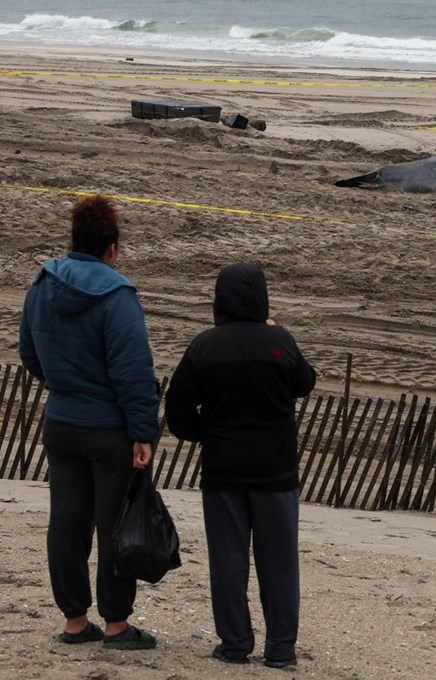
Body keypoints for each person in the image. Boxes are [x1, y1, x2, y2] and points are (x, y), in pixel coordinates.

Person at [18, 195, 159, 650]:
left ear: (74, 238)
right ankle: (116, 625)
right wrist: (143, 432)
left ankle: (75, 621)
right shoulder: (118, 295)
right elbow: (134, 372)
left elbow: (28, 353)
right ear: (112, 248)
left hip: (61, 422)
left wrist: (63, 384)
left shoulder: (42, 284)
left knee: (67, 521)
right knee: (113, 525)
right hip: (109, 430)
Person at [165, 263, 316, 669]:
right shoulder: (280, 342)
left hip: (224, 471)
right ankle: (281, 649)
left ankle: (235, 644)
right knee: (279, 562)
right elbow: (305, 383)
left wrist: (206, 433)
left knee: (229, 560)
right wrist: (273, 329)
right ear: (261, 297)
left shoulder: (205, 346)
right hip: (275, 472)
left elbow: (176, 408)